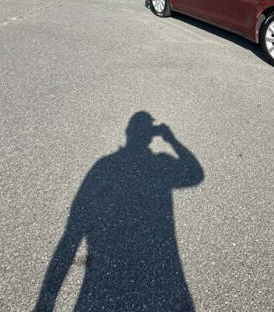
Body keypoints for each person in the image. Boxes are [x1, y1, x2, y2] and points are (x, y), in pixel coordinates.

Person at [33, 111, 204, 312]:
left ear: (127, 132)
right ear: (151, 135)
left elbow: (72, 233)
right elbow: (195, 174)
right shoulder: (160, 164)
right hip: (162, 279)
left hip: (102, 286)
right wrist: (172, 141)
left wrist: (46, 301)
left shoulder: (104, 166)